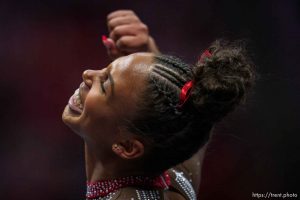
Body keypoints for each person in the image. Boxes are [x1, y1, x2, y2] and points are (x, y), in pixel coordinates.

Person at [62, 10, 255, 200]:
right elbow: (194, 114)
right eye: (107, 69)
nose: (88, 73)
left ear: (127, 146)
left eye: (104, 86)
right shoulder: (176, 172)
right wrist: (146, 60)